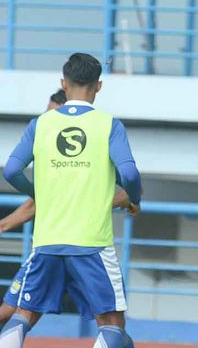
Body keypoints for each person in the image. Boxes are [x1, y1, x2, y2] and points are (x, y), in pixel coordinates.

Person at [0, 53, 144, 348]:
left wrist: (37, 192)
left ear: (63, 83)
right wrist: (134, 199)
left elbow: (13, 169)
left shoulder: (41, 124)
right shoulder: (109, 124)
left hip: (47, 241)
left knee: (23, 315)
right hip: (92, 244)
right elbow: (129, 173)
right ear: (99, 86)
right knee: (112, 322)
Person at [0, 90, 131, 329]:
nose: (48, 118)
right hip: (57, 248)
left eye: (51, 112)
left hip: (86, 248)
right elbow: (33, 205)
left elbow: (124, 187)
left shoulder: (94, 151)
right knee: (12, 309)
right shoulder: (54, 153)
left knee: (110, 321)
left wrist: (123, 200)